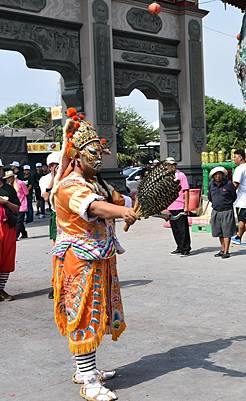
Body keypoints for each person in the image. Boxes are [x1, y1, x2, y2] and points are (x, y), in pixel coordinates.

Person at [51, 109, 137, 401]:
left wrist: (142, 205)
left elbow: (117, 199)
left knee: (97, 311)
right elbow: (95, 207)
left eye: (101, 154)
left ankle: (85, 369)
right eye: (92, 155)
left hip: (99, 256)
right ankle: (88, 379)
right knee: (84, 313)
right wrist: (123, 211)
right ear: (76, 155)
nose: (98, 159)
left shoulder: (97, 182)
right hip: (79, 259)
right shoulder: (68, 186)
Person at [39, 151, 61, 299]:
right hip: (57, 216)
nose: (56, 167)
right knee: (57, 253)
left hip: (72, 217)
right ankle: (56, 284)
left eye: (58, 165)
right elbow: (46, 197)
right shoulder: (44, 180)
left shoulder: (70, 177)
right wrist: (53, 178)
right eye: (53, 166)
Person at [0, 162, 21, 302]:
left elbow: (17, 209)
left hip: (8, 227)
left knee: (7, 259)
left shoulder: (8, 188)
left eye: (0, 168)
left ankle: (1, 289)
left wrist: (5, 202)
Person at [208, 166, 237, 259]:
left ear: (223, 175)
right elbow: (210, 197)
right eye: (216, 174)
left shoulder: (228, 184)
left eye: (220, 174)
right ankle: (222, 249)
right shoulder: (211, 184)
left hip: (227, 211)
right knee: (219, 232)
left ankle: (226, 251)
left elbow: (234, 196)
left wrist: (227, 203)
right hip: (216, 211)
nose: (218, 176)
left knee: (227, 232)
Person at [165, 157, 191, 256]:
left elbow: (186, 190)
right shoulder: (166, 177)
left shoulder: (181, 175)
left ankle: (186, 248)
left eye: (171, 165)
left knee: (182, 228)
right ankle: (179, 247)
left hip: (180, 205)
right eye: (167, 165)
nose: (169, 167)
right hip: (170, 206)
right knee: (175, 228)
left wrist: (186, 206)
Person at [231, 149, 246, 247]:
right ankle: (238, 237)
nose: (234, 159)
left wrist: (229, 194)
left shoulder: (240, 168)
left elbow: (235, 184)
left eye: (235, 157)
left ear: (241, 157)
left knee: (245, 219)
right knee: (241, 218)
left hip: (243, 198)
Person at [5, 171, 28, 240]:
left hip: (22, 204)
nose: (8, 179)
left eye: (9, 178)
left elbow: (26, 192)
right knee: (19, 221)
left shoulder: (20, 183)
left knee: (18, 221)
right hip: (13, 206)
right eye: (7, 178)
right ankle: (24, 233)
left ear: (12, 177)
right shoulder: (8, 185)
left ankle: (16, 236)